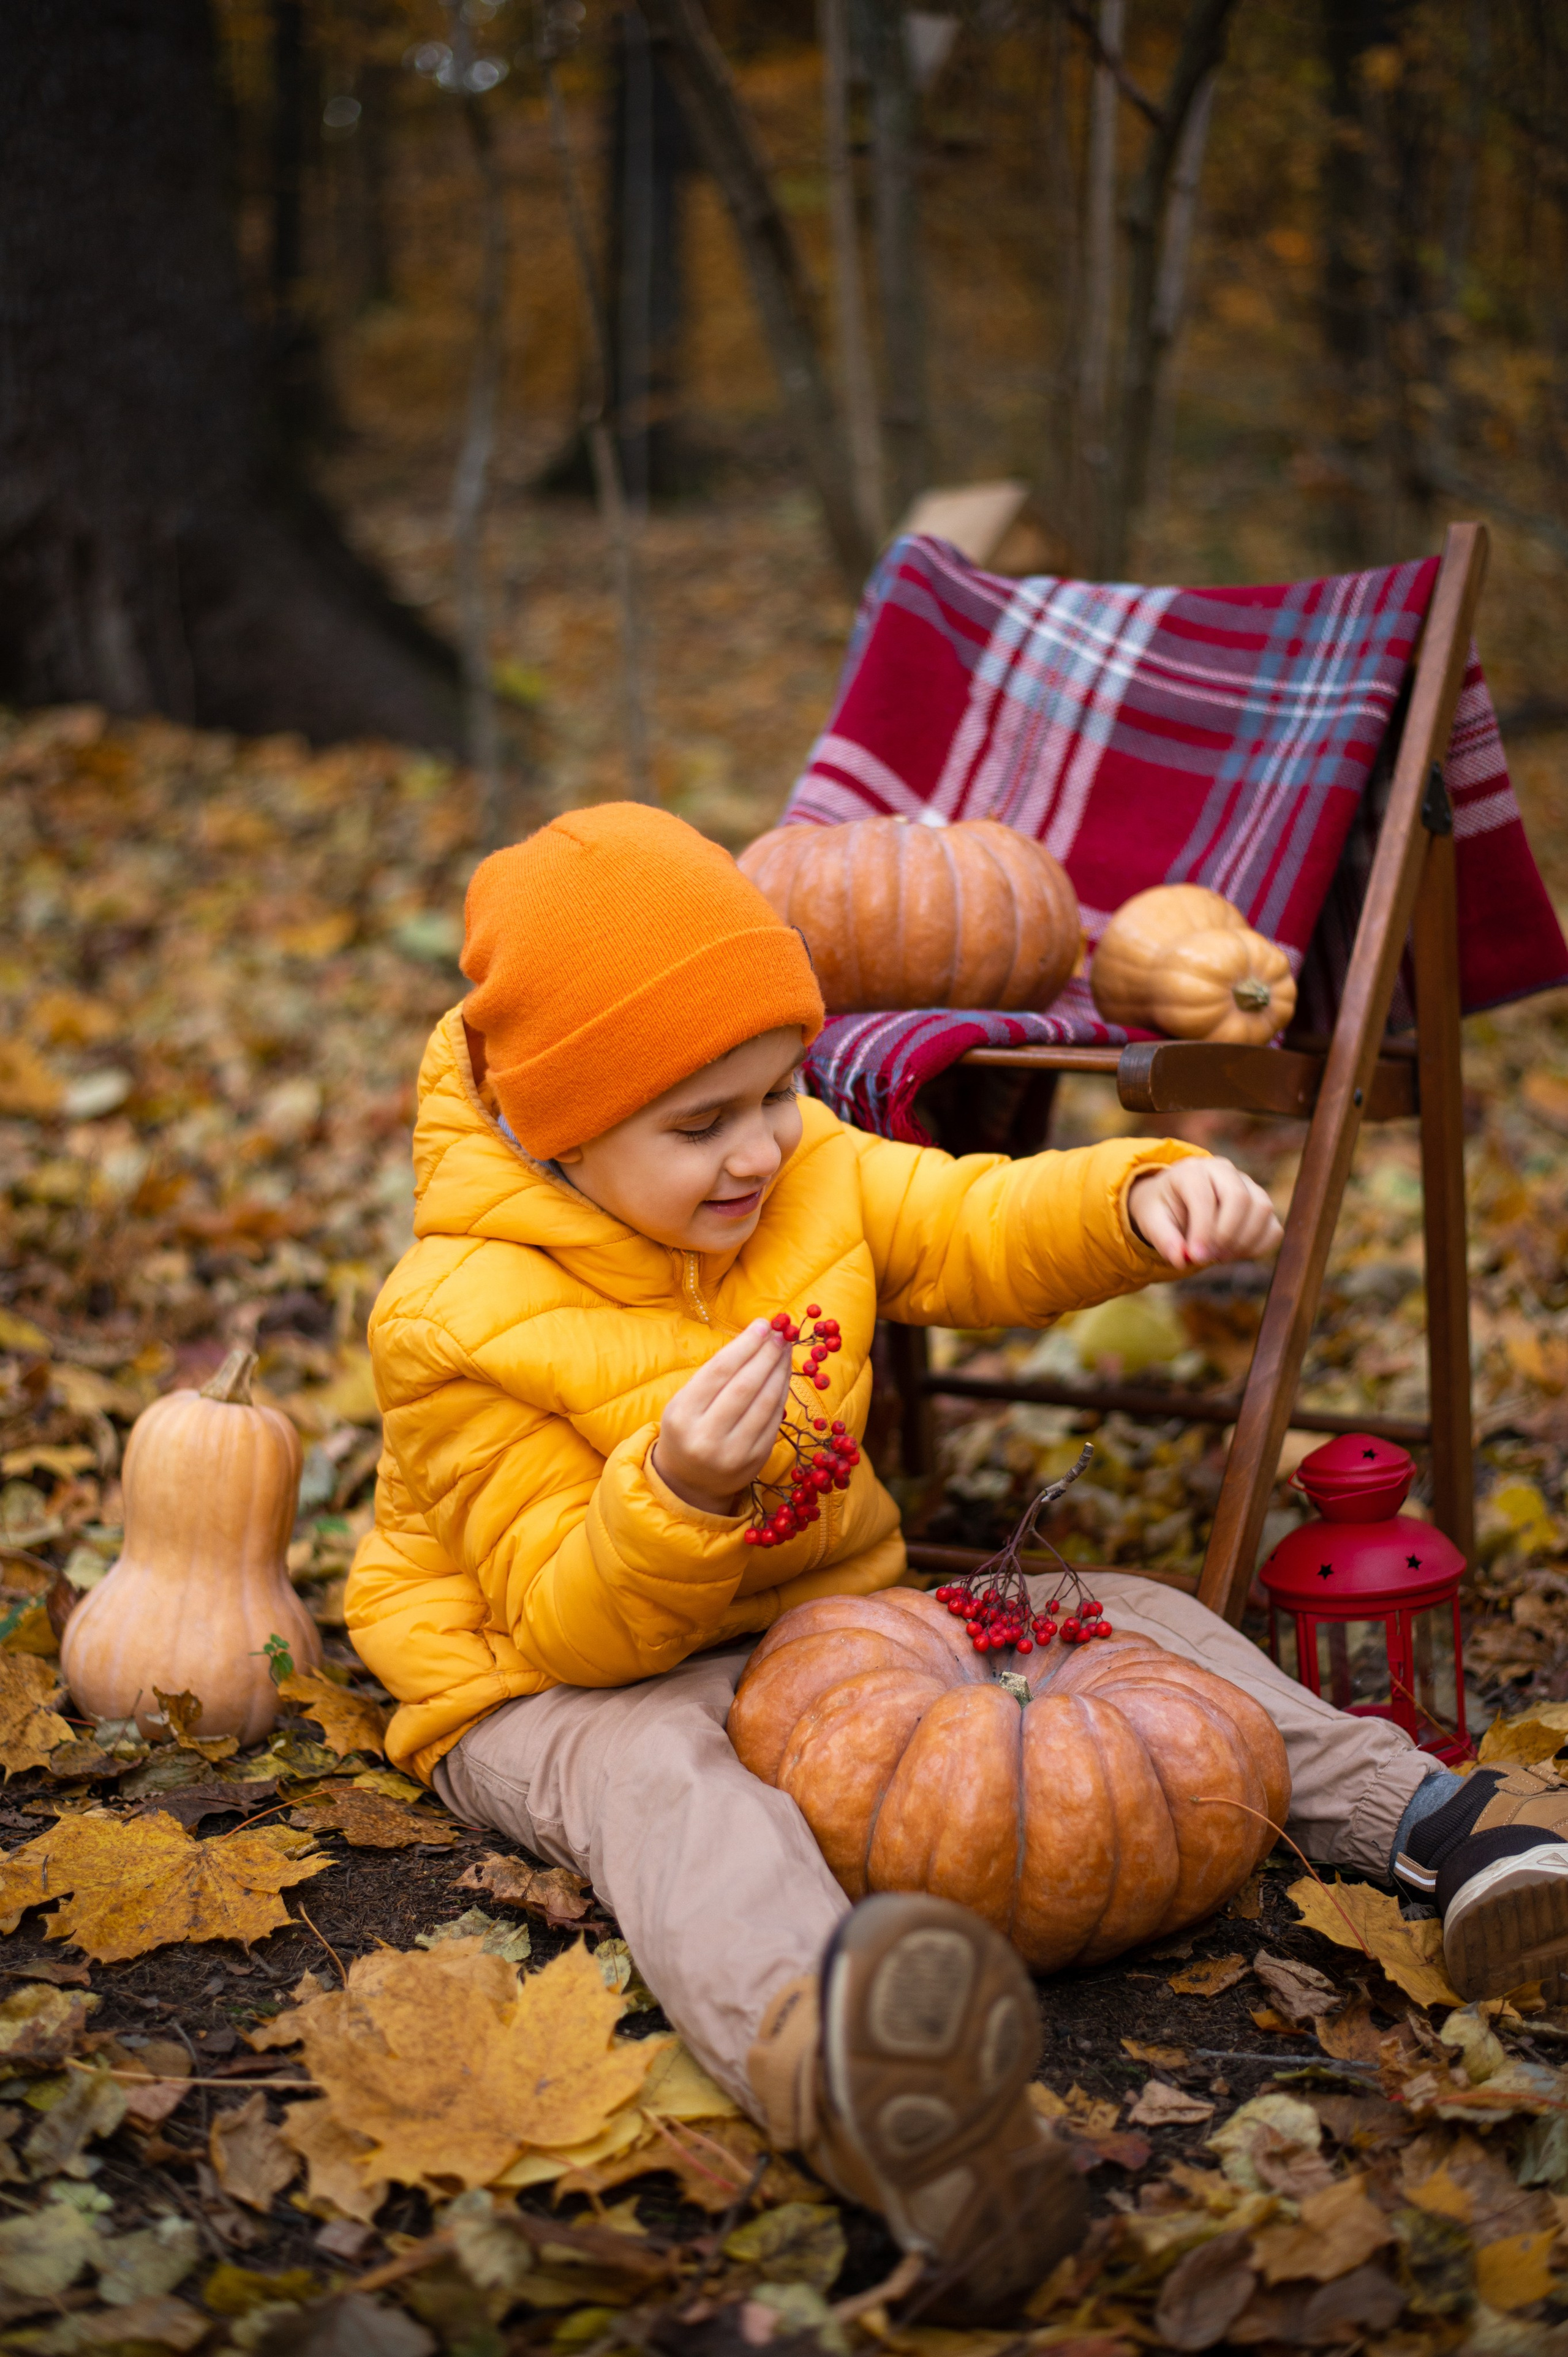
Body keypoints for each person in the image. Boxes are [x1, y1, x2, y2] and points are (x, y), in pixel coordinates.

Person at [347, 804, 1559, 2320]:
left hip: (823, 1617)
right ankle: (851, 2068)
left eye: (775, 1089)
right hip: (547, 1678)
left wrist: (1130, 1194)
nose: (756, 1149)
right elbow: (570, 1625)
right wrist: (669, 1491)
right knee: (669, 1784)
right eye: (696, 1122)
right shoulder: (452, 1317)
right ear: (555, 1130)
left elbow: (973, 1218)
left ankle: (1451, 1837)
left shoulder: (806, 1175)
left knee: (1122, 1612)